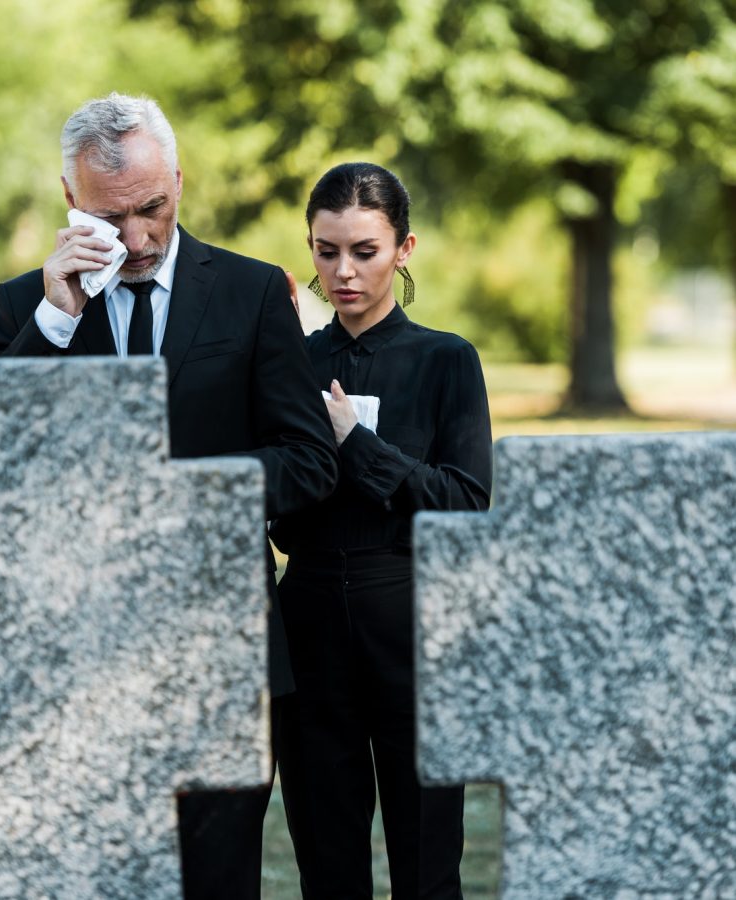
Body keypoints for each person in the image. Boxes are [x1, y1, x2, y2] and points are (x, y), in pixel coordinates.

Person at [0, 92, 339, 899]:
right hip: (72, 648)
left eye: (154, 209)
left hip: (219, 643)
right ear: (72, 199)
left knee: (217, 881)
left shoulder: (253, 293)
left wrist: (188, 496)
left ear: (179, 180)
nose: (139, 239)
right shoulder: (23, 308)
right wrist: (56, 320)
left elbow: (309, 461)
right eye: (115, 218)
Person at [271, 162, 493, 899]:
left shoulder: (446, 360)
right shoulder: (291, 363)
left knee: (429, 865)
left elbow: (465, 500)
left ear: (404, 249)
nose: (342, 271)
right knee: (326, 865)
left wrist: (357, 448)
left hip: (415, 627)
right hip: (308, 629)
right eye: (325, 250)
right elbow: (273, 505)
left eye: (364, 251)